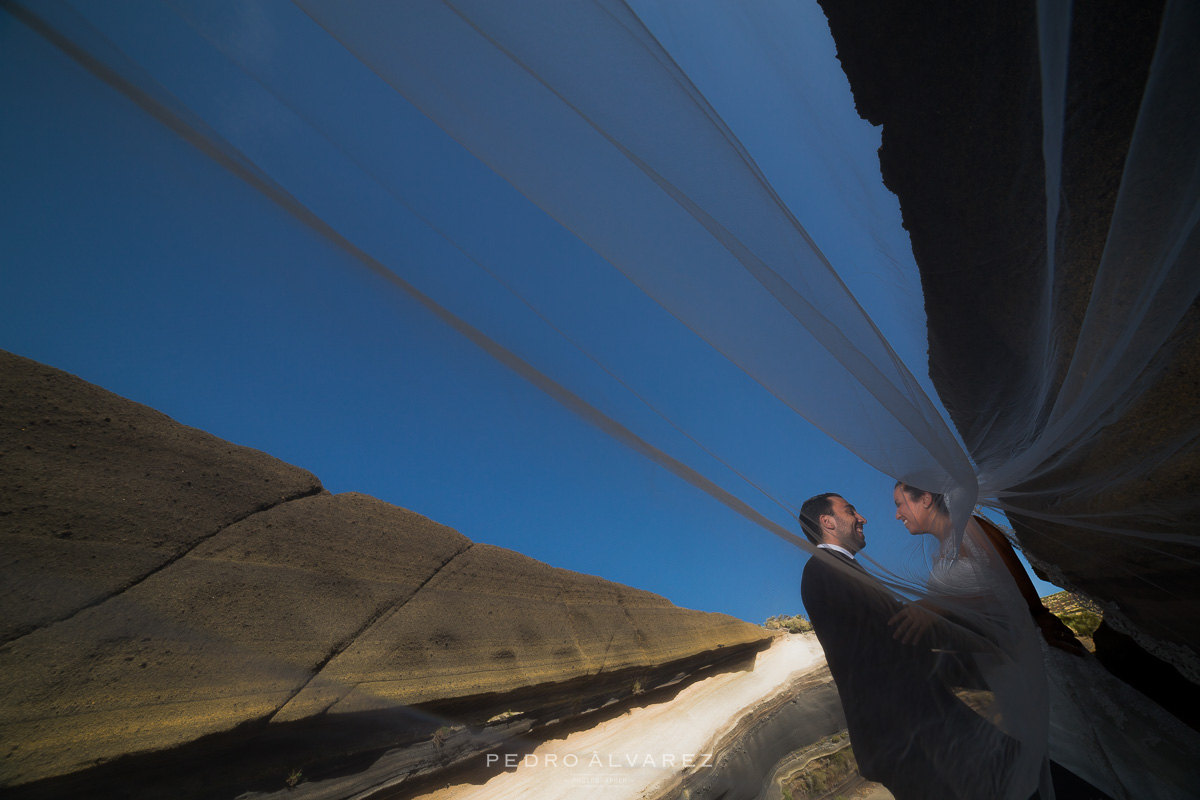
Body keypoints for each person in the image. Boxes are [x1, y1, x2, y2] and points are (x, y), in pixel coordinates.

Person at [800, 492, 1020, 799]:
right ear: (827, 522)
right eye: (850, 511)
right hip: (907, 736)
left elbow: (898, 638)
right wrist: (992, 658)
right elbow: (901, 636)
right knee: (1021, 779)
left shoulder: (837, 569)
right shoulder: (825, 570)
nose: (862, 517)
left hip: (918, 729)